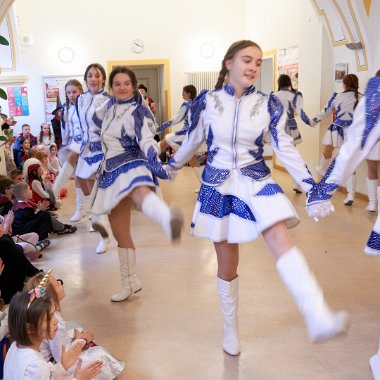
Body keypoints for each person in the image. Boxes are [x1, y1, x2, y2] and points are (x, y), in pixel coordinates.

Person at [168, 40, 348, 356]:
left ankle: (317, 314)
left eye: (257, 63)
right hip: (218, 185)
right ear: (229, 64)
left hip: (256, 178)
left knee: (279, 237)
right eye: (246, 60)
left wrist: (311, 188)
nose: (252, 67)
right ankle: (230, 329)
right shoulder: (207, 102)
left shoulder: (268, 104)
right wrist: (168, 167)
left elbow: (284, 148)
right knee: (226, 260)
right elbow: (192, 141)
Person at [91, 65, 183, 302]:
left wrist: (155, 160)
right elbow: (93, 127)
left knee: (138, 190)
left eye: (126, 84)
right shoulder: (104, 110)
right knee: (120, 230)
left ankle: (167, 218)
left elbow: (147, 139)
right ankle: (130, 282)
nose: (122, 88)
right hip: (110, 168)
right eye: (117, 84)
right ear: (111, 87)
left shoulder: (139, 112)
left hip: (132, 159)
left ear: (133, 87)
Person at [312, 71, 380, 379]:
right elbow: (356, 143)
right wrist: (323, 190)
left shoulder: (357, 94)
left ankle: (355, 194)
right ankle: (355, 195)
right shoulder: (371, 94)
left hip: (342, 134)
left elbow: (351, 139)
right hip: (348, 135)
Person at [27, 273, 125, 378]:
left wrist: (75, 337)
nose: (61, 284)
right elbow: (61, 357)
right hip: (54, 366)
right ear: (52, 294)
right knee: (99, 354)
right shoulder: (55, 322)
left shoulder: (50, 316)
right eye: (58, 284)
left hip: (53, 362)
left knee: (73, 325)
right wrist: (81, 341)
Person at [4, 279, 103, 379]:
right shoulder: (36, 366)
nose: (56, 321)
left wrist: (62, 366)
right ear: (30, 328)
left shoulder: (14, 347)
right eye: (49, 317)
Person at [74, 64, 112, 253]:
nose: (93, 79)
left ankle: (104, 236)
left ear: (103, 79)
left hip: (103, 151)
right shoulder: (81, 99)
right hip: (85, 150)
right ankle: (97, 221)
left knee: (98, 196)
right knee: (88, 190)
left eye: (97, 76)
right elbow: (79, 125)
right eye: (90, 75)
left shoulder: (108, 100)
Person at [311, 74, 362, 205]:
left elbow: (325, 111)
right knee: (349, 161)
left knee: (328, 149)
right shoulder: (362, 98)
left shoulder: (338, 97)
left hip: (337, 129)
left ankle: (322, 169)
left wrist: (314, 120)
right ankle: (351, 195)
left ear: (344, 84)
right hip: (353, 132)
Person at [156, 85, 205, 187]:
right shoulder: (198, 104)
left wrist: (159, 128)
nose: (182, 94)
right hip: (196, 136)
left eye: (183, 92)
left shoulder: (186, 105)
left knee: (168, 138)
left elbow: (176, 119)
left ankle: (149, 157)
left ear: (188, 93)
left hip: (186, 135)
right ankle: (204, 186)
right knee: (193, 161)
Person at [274, 74, 312, 193]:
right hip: (291, 128)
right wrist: (311, 122)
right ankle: (297, 183)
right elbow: (301, 113)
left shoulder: (273, 96)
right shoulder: (295, 96)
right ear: (289, 83)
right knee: (293, 156)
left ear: (279, 83)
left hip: (276, 129)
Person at [12, 182, 76, 239]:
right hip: (24, 231)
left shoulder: (18, 204)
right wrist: (39, 209)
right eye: (29, 189)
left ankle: (60, 227)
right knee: (44, 215)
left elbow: (31, 217)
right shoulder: (23, 207)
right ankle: (61, 228)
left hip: (23, 229)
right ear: (25, 195)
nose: (31, 191)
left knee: (43, 213)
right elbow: (32, 217)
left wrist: (39, 210)